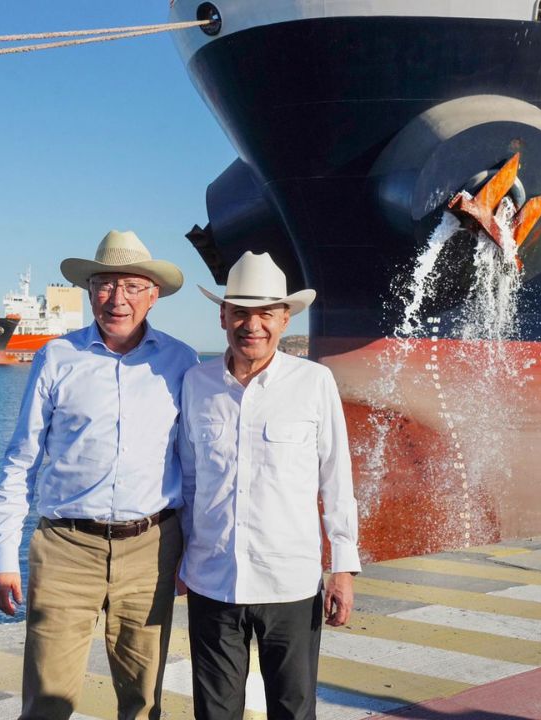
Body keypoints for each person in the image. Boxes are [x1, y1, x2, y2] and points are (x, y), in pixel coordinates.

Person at [0, 229, 199, 720]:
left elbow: (191, 468)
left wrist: (191, 550)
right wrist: (3, 554)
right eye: (104, 285)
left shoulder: (182, 362)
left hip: (151, 547)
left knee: (143, 701)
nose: (116, 299)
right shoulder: (57, 357)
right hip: (65, 548)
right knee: (47, 700)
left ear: (154, 295)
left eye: (131, 286)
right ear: (89, 291)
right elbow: (20, 460)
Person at [178, 251, 361, 720]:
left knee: (293, 710)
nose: (251, 325)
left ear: (284, 318)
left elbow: (337, 480)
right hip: (212, 581)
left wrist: (342, 568)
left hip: (291, 586)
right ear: (222, 315)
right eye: (240, 312)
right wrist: (181, 558)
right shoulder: (196, 383)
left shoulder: (314, 382)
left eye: (264, 314)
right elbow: (191, 480)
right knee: (215, 714)